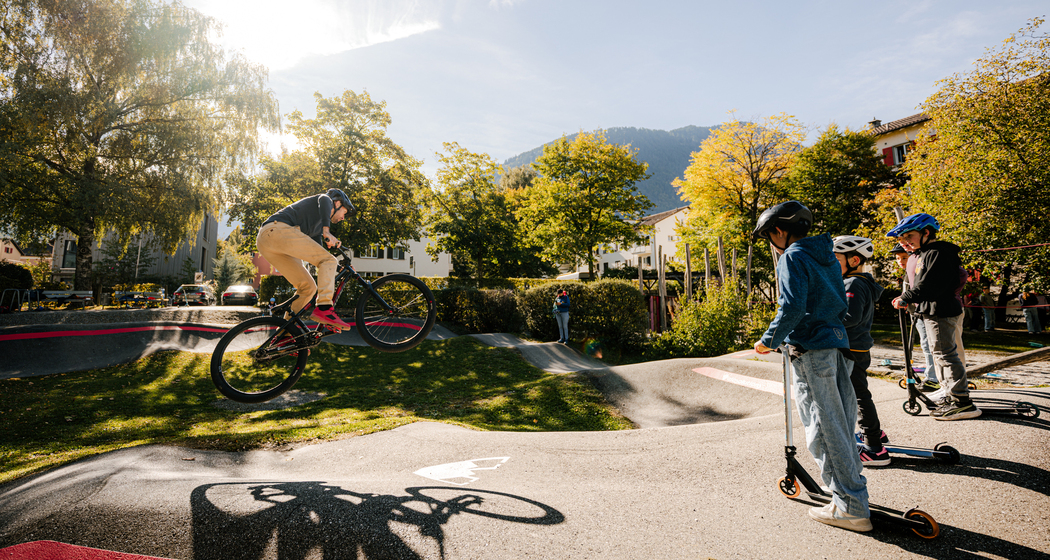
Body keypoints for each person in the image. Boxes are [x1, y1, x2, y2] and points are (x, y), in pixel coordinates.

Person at [752, 201, 871, 532]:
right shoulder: (828, 255)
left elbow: (791, 307)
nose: (771, 243)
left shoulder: (792, 256)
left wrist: (769, 340)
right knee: (842, 424)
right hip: (837, 344)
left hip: (810, 348)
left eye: (769, 236)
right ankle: (849, 495)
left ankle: (850, 506)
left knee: (824, 427)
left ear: (779, 230)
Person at [888, 213, 980, 420]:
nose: (904, 243)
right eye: (901, 240)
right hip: (930, 310)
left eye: (908, 237)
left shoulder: (938, 253)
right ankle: (950, 394)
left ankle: (962, 402)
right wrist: (909, 297)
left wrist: (907, 297)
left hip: (941, 311)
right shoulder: (924, 253)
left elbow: (931, 284)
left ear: (926, 232)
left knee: (946, 355)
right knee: (939, 354)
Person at [256, 188, 355, 330]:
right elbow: (325, 200)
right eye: (344, 212)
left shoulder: (316, 227)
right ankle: (324, 308)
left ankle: (286, 334)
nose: (343, 218)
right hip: (277, 230)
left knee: (308, 287)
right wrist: (326, 232)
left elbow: (318, 255)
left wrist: (339, 268)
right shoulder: (325, 199)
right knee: (328, 260)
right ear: (337, 203)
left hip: (268, 242)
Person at [832, 236, 889, 467]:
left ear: (854, 260)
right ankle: (875, 433)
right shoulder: (855, 282)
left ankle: (875, 448)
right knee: (857, 394)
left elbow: (849, 318)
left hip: (851, 349)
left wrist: (820, 324)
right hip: (855, 347)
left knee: (858, 396)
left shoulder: (853, 284)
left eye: (835, 259)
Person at [890, 243, 937, 391]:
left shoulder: (918, 271)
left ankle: (933, 378)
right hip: (913, 313)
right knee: (924, 344)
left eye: (904, 257)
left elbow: (918, 291)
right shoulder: (907, 273)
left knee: (928, 344)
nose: (901, 261)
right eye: (898, 258)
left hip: (922, 312)